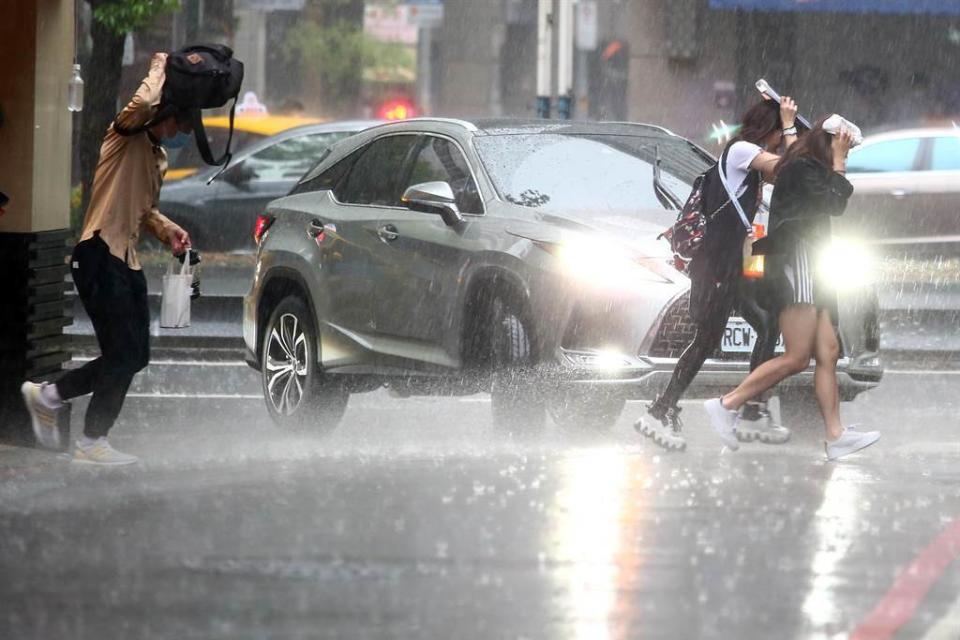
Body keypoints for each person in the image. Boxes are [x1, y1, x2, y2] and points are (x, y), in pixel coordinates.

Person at [21, 52, 192, 465]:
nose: (177, 132)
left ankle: (49, 396)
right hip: (98, 252)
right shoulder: (125, 134)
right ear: (163, 114)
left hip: (126, 259)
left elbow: (143, 210)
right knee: (121, 354)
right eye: (176, 123)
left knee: (136, 355)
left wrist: (168, 230)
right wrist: (159, 67)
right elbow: (146, 104)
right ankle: (90, 438)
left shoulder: (157, 157)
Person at [703, 117, 881, 461]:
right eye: (844, 146)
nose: (845, 153)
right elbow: (835, 204)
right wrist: (840, 162)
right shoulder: (802, 168)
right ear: (829, 141)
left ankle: (835, 434)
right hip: (797, 262)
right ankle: (727, 404)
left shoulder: (810, 166)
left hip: (816, 268)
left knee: (828, 351)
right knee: (797, 356)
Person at [635, 96, 799, 451]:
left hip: (731, 265)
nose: (778, 141)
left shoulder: (754, 167)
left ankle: (751, 409)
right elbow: (790, 169)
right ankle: (660, 411)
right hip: (714, 266)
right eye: (778, 134)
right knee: (707, 339)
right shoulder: (740, 150)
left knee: (769, 324)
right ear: (768, 130)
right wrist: (789, 125)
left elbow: (793, 176)